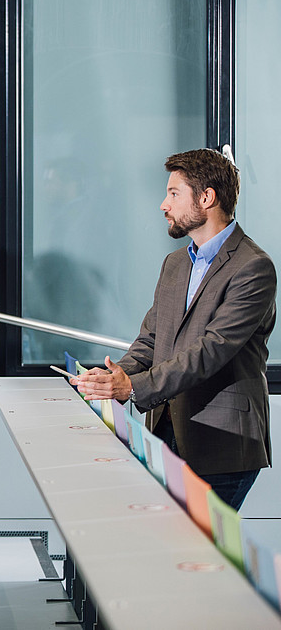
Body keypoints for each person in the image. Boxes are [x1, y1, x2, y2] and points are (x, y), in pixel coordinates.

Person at [73, 148, 276, 510]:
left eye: (173, 193)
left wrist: (133, 386)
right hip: (166, 433)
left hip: (222, 445)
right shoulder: (176, 263)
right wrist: (112, 377)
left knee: (197, 557)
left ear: (207, 197)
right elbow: (151, 339)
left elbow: (210, 351)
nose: (163, 205)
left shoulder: (253, 268)